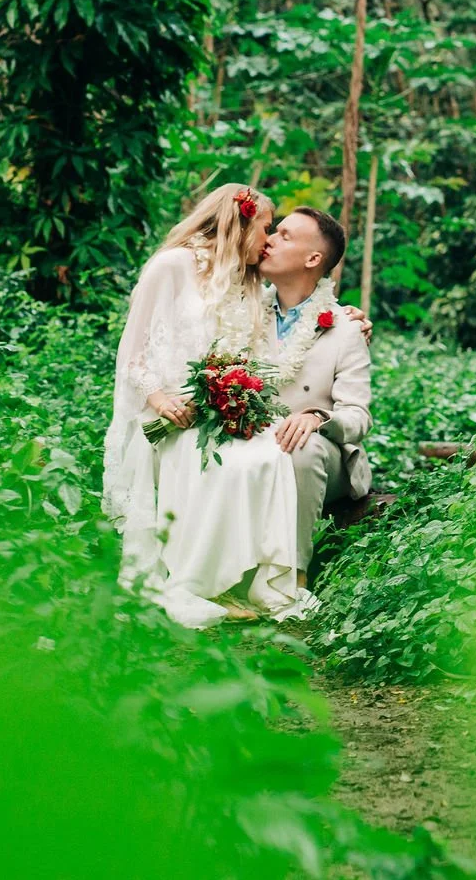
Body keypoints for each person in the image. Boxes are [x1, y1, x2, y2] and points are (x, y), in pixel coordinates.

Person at [103, 183, 318, 629]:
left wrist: (350, 317)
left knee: (270, 456)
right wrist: (160, 399)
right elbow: (132, 353)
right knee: (226, 465)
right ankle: (196, 580)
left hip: (219, 411)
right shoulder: (171, 266)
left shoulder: (248, 280)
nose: (269, 238)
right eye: (266, 227)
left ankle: (262, 582)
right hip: (169, 412)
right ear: (240, 223)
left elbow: (266, 345)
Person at [255, 208, 373, 573]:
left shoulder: (345, 327)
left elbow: (358, 416)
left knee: (300, 447)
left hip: (321, 454)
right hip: (254, 440)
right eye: (274, 231)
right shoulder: (244, 311)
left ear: (313, 258)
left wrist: (317, 417)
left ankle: (291, 574)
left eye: (285, 235)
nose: (269, 239)